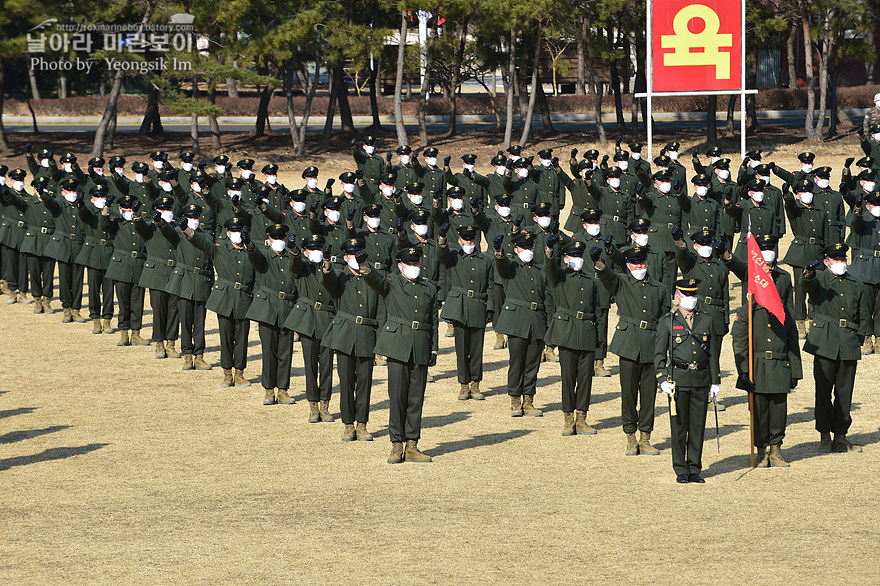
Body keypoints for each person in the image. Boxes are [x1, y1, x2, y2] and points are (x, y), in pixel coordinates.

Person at [362, 246, 438, 464]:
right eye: (410, 264)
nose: (414, 267)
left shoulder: (429, 288)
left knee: (416, 398)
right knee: (397, 397)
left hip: (421, 346)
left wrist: (434, 348)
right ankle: (396, 445)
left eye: (417, 264)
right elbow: (374, 280)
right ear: (400, 265)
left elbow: (433, 321)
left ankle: (412, 444)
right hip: (397, 345)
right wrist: (364, 266)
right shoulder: (392, 283)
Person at [595, 244, 669, 456]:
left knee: (649, 396)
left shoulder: (660, 288)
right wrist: (599, 263)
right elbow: (606, 275)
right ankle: (630, 436)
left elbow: (665, 320)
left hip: (652, 346)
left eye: (642, 262)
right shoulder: (622, 282)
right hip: (629, 345)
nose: (639, 266)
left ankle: (645, 437)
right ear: (628, 265)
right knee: (628, 394)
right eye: (635, 263)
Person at [802, 243, 869, 453]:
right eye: (836, 259)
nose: (841, 263)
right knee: (823, 390)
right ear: (827, 262)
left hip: (848, 341)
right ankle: (824, 433)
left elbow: (863, 314)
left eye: (843, 259)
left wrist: (857, 338)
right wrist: (809, 273)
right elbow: (808, 287)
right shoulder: (820, 278)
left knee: (844, 391)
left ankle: (840, 436)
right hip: (824, 341)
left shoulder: (856, 283)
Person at [655, 278, 720, 483]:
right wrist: (662, 378)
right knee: (679, 426)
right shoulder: (668, 321)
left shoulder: (706, 320)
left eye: (693, 295)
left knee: (698, 426)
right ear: (677, 297)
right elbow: (658, 354)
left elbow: (713, 354)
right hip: (678, 380)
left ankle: (694, 468)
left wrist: (715, 380)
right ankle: (680, 469)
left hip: (701, 379)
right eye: (686, 295)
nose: (691, 299)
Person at [321, 238, 385, 442]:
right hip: (344, 335)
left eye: (357, 254)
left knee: (365, 382)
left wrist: (381, 342)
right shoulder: (340, 276)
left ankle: (362, 424)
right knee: (347, 381)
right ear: (344, 258)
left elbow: (382, 312)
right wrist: (327, 265)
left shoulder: (373, 278)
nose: (354, 258)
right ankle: (348, 425)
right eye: (350, 255)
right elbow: (329, 283)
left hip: (367, 335)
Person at [731, 291, 801, 468]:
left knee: (779, 411)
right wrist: (744, 371)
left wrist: (795, 372)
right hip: (757, 367)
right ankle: (761, 450)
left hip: (780, 366)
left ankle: (776, 450)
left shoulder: (786, 312)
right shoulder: (747, 311)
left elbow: (792, 342)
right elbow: (740, 342)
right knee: (759, 410)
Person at [187, 217, 255, 387]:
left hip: (244, 299)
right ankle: (227, 373)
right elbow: (202, 243)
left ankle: (239, 372)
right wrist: (187, 231)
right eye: (233, 231)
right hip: (225, 299)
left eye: (239, 231)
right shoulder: (220, 249)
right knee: (226, 337)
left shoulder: (251, 251)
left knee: (242, 338)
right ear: (227, 233)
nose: (237, 234)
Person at [493, 232, 553, 417]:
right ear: (516, 249)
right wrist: (498, 251)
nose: (527, 251)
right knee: (516, 362)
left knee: (532, 364)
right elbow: (502, 266)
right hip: (516, 321)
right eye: (523, 248)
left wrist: (551, 326)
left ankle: (529, 400)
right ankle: (515, 400)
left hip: (537, 321)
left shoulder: (540, 269)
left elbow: (549, 298)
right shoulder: (511, 267)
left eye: (530, 248)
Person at [545, 239, 600, 435]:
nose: (577, 259)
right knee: (568, 378)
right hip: (567, 333)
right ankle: (568, 419)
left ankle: (582, 418)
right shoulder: (560, 277)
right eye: (573, 256)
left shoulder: (590, 281)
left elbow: (597, 311)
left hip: (586, 333)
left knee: (585, 379)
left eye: (580, 256)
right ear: (566, 259)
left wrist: (599, 342)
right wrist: (550, 251)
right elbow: (550, 268)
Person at [437, 224, 495, 400]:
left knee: (477, 349)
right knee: (461, 349)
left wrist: (490, 307)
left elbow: (491, 286)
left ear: (476, 240)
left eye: (471, 239)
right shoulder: (454, 257)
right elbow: (442, 255)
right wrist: (442, 238)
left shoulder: (486, 260)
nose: (469, 242)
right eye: (465, 239)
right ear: (460, 240)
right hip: (459, 307)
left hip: (478, 305)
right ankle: (463, 384)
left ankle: (475, 384)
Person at [284, 235, 336, 423]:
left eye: (318, 249)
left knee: (327, 367)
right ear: (306, 252)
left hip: (328, 322)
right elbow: (294, 265)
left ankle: (325, 404)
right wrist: (293, 251)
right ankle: (313, 405)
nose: (316, 253)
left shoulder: (330, 269)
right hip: (307, 321)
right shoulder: (303, 268)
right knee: (310, 366)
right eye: (311, 250)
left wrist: (328, 263)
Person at [245, 224, 298, 406]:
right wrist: (249, 243)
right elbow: (255, 256)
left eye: (281, 238)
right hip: (267, 308)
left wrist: (294, 249)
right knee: (268, 351)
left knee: (285, 352)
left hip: (287, 308)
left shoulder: (291, 258)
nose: (279, 242)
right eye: (275, 239)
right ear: (269, 241)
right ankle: (269, 390)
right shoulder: (265, 255)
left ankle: (283, 390)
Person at [168, 204, 214, 371]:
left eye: (196, 217)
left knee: (200, 323)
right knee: (186, 321)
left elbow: (210, 262)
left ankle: (199, 355)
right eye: (191, 217)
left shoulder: (207, 237)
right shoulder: (179, 234)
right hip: (185, 282)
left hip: (201, 282)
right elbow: (166, 231)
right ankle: (187, 355)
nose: (194, 220)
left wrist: (211, 284)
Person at [135, 197, 181, 359]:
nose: (167, 212)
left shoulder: (177, 227)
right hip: (156, 273)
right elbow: (140, 228)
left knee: (174, 310)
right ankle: (159, 343)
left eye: (169, 209)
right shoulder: (150, 228)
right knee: (159, 310)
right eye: (163, 210)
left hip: (175, 273)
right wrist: (136, 214)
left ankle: (171, 343)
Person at [101, 195, 149, 347]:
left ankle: (136, 333)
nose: (128, 211)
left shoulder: (142, 223)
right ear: (120, 210)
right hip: (121, 267)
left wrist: (136, 214)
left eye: (131, 209)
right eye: (126, 209)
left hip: (139, 266)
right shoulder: (117, 223)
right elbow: (104, 225)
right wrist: (106, 208)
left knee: (137, 302)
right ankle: (124, 333)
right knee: (123, 302)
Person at [847, 192, 880, 354]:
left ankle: (879, 337)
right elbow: (855, 223)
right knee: (866, 305)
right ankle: (867, 337)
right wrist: (858, 209)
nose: (877, 208)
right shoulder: (864, 219)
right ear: (868, 206)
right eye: (874, 204)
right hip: (866, 266)